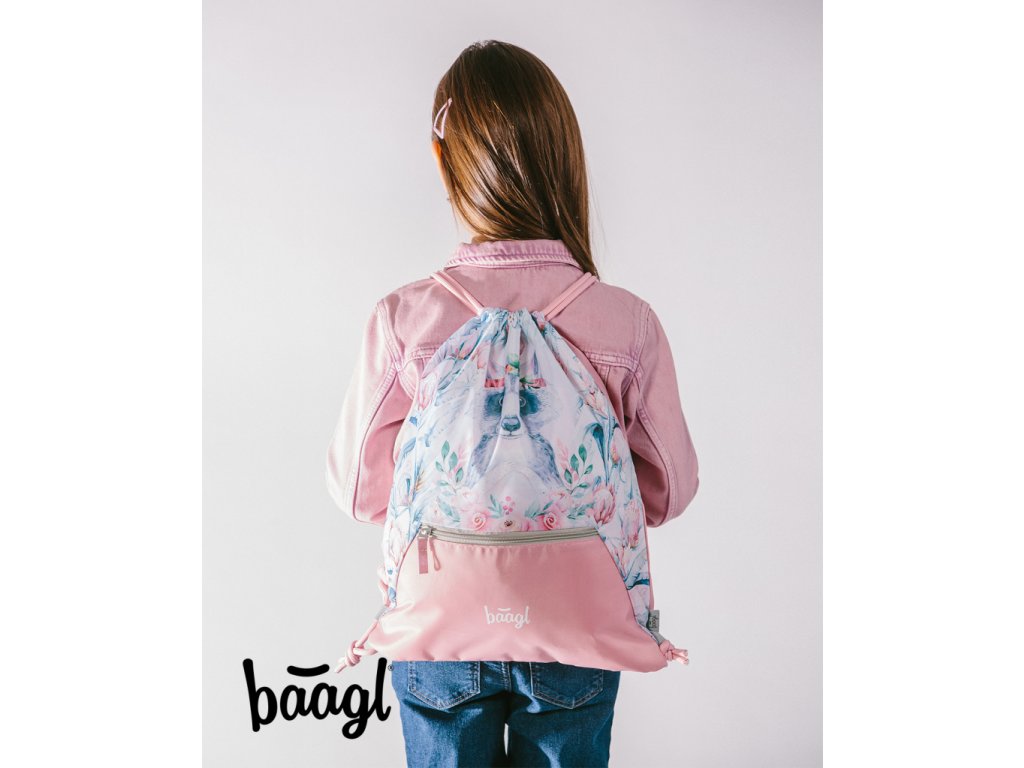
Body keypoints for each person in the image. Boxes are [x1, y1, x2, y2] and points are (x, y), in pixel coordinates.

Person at [326, 40, 699, 768]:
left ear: (443, 161)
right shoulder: (626, 322)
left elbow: (358, 492)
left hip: (439, 626)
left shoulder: (404, 320)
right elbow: (668, 492)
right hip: (576, 624)